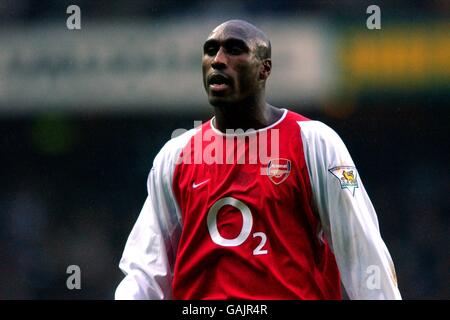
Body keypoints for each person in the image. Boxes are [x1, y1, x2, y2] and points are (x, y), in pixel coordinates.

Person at [115, 20, 401, 300]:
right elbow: (146, 270)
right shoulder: (176, 155)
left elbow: (362, 252)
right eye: (210, 50)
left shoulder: (315, 143)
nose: (218, 60)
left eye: (235, 49)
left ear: (264, 69)